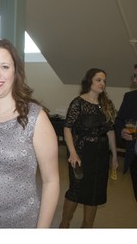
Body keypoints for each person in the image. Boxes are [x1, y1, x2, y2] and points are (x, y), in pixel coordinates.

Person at [0, 39, 59, 228]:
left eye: (5, 67)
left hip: (20, 221)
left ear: (16, 71)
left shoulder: (35, 118)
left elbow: (51, 181)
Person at [59, 68, 118, 228]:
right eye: (99, 80)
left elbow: (110, 130)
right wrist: (72, 152)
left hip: (101, 156)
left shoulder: (107, 105)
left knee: (95, 193)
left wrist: (114, 155)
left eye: (104, 81)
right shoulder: (78, 103)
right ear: (89, 80)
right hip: (81, 154)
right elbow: (67, 128)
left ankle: (87, 229)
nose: (102, 84)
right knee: (76, 190)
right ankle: (64, 224)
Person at [114, 64, 137, 201]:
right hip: (134, 159)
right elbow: (119, 120)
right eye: (134, 76)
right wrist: (122, 131)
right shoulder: (130, 97)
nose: (134, 81)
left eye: (136, 76)